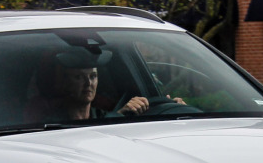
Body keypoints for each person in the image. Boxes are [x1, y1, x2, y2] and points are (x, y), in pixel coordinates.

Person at [27, 48, 183, 122]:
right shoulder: (52, 122)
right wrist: (120, 114)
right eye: (78, 77)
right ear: (65, 83)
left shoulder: (101, 115)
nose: (88, 83)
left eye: (93, 76)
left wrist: (172, 109)